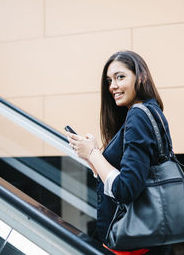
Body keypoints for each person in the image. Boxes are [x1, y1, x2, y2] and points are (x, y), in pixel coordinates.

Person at [66, 50, 172, 255]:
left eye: (120, 77)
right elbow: (135, 176)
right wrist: (92, 157)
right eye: (109, 80)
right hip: (147, 241)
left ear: (141, 77)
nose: (112, 86)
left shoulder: (138, 115)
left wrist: (94, 153)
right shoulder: (152, 111)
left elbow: (126, 189)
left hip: (133, 246)